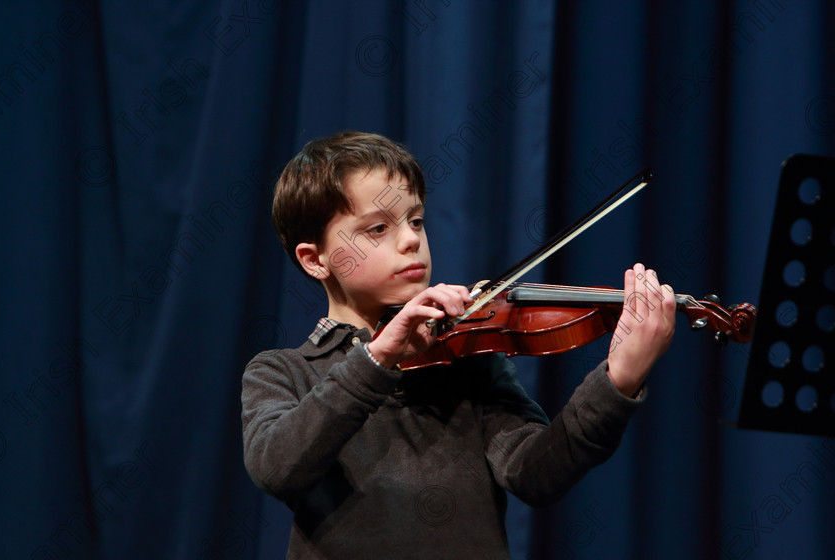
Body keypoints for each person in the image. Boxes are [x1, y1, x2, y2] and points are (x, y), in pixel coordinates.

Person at [241, 131, 676, 559]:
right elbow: (279, 468)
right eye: (378, 227)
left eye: (415, 220)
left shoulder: (465, 359)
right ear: (315, 259)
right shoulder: (283, 371)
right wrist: (376, 358)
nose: (411, 239)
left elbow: (536, 475)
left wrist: (618, 380)